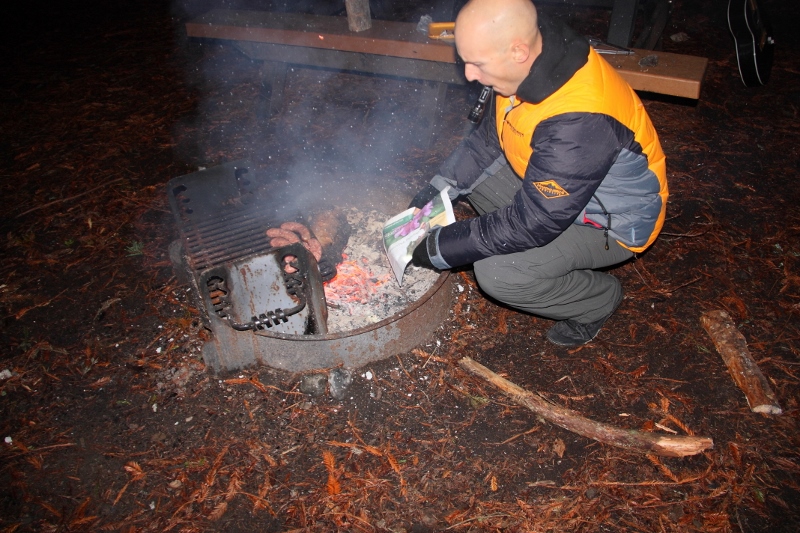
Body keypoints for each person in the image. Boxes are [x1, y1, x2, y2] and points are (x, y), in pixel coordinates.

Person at [409, 0, 668, 346]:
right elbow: (489, 141)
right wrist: (436, 190)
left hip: (610, 221)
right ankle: (542, 256)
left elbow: (535, 220)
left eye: (477, 64)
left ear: (518, 51)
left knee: (498, 273)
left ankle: (598, 300)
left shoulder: (578, 120)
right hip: (563, 189)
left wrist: (441, 248)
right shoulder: (530, 61)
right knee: (472, 182)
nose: (468, 74)